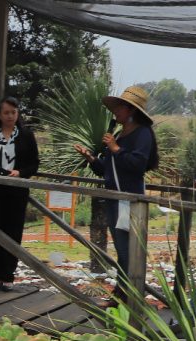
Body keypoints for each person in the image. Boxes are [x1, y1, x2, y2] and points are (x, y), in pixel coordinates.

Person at [74, 85, 159, 295]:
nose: (115, 112)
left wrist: (115, 149)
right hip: (114, 199)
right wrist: (92, 159)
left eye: (120, 107)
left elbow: (138, 164)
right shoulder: (120, 134)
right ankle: (122, 293)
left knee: (127, 251)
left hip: (129, 201)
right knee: (122, 251)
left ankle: (127, 294)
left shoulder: (143, 134)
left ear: (131, 110)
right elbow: (108, 169)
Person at [0, 96, 39, 291]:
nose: (10, 116)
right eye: (6, 113)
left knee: (13, 232)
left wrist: (20, 172)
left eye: (13, 112)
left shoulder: (26, 135)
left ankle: (8, 275)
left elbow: (34, 163)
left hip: (17, 191)